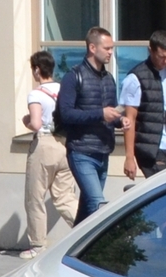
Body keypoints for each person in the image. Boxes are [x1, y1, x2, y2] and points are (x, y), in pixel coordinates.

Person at [51, 24, 125, 222]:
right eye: (107, 48)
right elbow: (66, 114)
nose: (111, 52)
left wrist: (121, 119)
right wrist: (100, 114)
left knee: (86, 212)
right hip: (82, 151)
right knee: (98, 205)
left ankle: (71, 249)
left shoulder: (109, 79)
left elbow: (112, 112)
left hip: (103, 152)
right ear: (93, 48)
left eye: (112, 48)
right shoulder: (73, 76)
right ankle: (99, 252)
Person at [19, 49, 77, 255]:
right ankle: (88, 231)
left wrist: (25, 120)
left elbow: (35, 123)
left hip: (44, 145)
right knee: (65, 197)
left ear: (36, 70)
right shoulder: (63, 90)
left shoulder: (36, 94)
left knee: (35, 197)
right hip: (65, 144)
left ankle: (37, 245)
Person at [119, 29, 166, 183]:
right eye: (161, 57)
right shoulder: (136, 78)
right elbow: (129, 120)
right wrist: (129, 157)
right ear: (150, 51)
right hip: (151, 149)